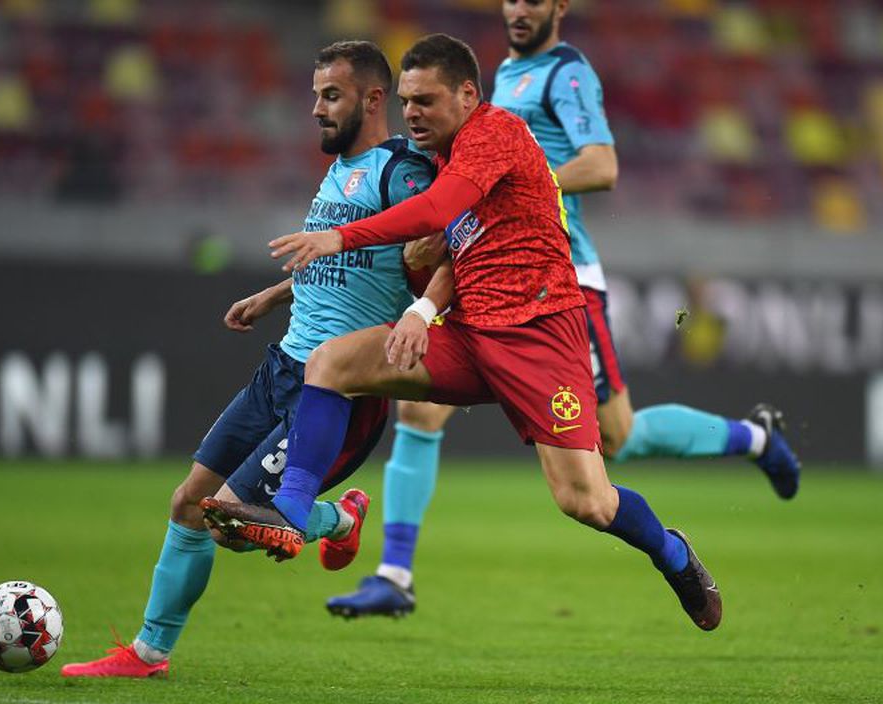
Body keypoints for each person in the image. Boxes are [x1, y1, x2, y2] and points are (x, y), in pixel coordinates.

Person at [200, 34, 723, 631]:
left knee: (586, 501)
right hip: (471, 333)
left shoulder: (494, 134)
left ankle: (672, 552)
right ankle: (293, 509)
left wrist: (340, 237)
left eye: (425, 100)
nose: (412, 114)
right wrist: (419, 311)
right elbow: (456, 252)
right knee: (331, 362)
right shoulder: (441, 157)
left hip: (539, 337)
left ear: (468, 94)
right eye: (406, 101)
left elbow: (433, 214)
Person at [326, 0, 801, 619]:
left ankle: (754, 439)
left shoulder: (564, 72)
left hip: (558, 277)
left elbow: (602, 165)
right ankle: (395, 572)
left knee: (615, 442)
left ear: (559, 6)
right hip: (483, 275)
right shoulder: (498, 81)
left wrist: (509, 180)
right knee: (416, 406)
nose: (519, 9)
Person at [60, 41, 435, 677]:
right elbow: (348, 261)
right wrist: (274, 294)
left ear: (374, 100)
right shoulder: (341, 169)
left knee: (227, 522)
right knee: (189, 501)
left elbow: (437, 249)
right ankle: (148, 654)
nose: (316, 109)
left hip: (336, 390)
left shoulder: (402, 174)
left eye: (331, 96)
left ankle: (336, 520)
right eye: (315, 95)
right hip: (281, 367)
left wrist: (422, 310)